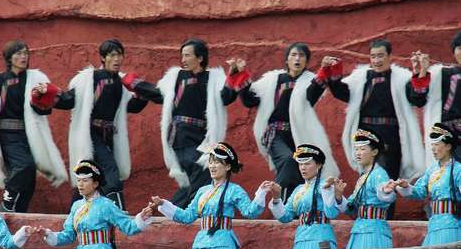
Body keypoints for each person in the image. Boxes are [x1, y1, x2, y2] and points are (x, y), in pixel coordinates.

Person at [32, 39, 148, 210]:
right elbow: (69, 99)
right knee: (111, 172)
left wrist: (142, 91)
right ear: (103, 58)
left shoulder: (121, 82)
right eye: (112, 55)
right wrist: (47, 92)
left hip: (109, 136)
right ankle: (120, 215)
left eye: (119, 55)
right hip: (90, 134)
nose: (116, 59)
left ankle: (73, 217)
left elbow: (132, 106)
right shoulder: (90, 79)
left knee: (89, 176)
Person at [121, 38, 237, 207]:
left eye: (187, 55)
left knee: (193, 181)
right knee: (202, 168)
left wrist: (234, 74)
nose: (183, 59)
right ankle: (193, 211)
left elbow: (226, 97)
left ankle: (171, 212)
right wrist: (130, 81)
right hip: (181, 135)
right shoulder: (177, 77)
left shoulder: (213, 78)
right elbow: (157, 93)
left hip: (204, 137)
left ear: (200, 58)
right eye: (182, 55)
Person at [0, 40, 68, 212]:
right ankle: (6, 204)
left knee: (29, 178)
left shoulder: (35, 79)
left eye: (26, 53)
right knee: (24, 165)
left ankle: (18, 213)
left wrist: (42, 96)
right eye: (19, 53)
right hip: (7, 135)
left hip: (29, 135)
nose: (23, 57)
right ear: (9, 58)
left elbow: (43, 109)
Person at [320, 39, 425, 214]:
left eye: (380, 56)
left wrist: (419, 73)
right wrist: (333, 71)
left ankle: (385, 218)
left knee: (387, 177)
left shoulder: (401, 78)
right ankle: (365, 215)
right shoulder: (361, 78)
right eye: (373, 56)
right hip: (365, 135)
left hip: (390, 137)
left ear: (389, 56)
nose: (376, 60)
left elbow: (418, 99)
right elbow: (342, 92)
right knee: (366, 175)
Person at [228, 42, 339, 202]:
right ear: (287, 60)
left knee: (301, 171)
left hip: (300, 134)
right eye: (293, 55)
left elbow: (312, 96)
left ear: (306, 61)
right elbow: (250, 100)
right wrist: (240, 73)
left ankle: (289, 208)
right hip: (275, 134)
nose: (297, 58)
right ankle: (273, 197)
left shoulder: (310, 80)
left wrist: (324, 70)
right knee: (288, 160)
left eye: (301, 55)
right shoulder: (273, 80)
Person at [267, 144, 344, 249]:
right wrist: (277, 198)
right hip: (301, 240)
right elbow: (285, 217)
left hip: (320, 238)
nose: (303, 167)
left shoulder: (326, 185)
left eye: (307, 163)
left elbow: (331, 213)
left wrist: (329, 192)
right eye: (300, 164)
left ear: (319, 165)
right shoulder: (298, 190)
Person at [392, 124, 460, 249]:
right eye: (432, 145)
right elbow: (419, 192)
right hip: (434, 225)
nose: (433, 149)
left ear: (448, 146)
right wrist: (405, 186)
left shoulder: (458, 170)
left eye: (437, 144)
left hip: (451, 226)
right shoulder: (432, 169)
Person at [331, 129, 396, 249]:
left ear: (374, 152)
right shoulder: (363, 176)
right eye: (356, 149)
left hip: (373, 232)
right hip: (360, 231)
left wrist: (386, 191)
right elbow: (351, 208)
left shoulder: (379, 174)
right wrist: (339, 196)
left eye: (362, 149)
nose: (358, 153)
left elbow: (385, 192)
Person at [408, 31, 461, 164]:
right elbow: (418, 99)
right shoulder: (442, 74)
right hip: (448, 139)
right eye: (460, 48)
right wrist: (421, 71)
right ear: (454, 52)